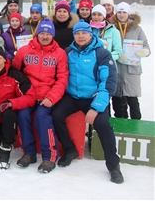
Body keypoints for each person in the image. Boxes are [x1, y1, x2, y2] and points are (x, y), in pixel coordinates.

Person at [51, 20, 124, 184]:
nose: (80, 36)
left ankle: (113, 165)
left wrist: (96, 108)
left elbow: (108, 84)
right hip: (72, 96)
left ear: (91, 34)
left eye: (84, 33)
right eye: (77, 33)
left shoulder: (102, 54)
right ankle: (70, 150)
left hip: (94, 97)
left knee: (103, 125)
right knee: (55, 115)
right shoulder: (68, 52)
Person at [12, 19, 68, 173]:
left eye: (48, 34)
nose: (44, 36)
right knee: (22, 115)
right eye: (42, 33)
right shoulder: (24, 51)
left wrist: (51, 98)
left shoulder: (60, 53)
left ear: (53, 35)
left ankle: (49, 156)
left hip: (48, 95)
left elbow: (62, 79)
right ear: (36, 34)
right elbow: (15, 73)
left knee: (41, 117)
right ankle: (28, 153)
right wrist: (20, 93)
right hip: (29, 94)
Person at [111, 2, 150, 120]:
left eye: (124, 12)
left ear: (129, 14)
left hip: (132, 70)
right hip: (116, 69)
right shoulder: (112, 28)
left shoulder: (137, 29)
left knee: (133, 101)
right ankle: (121, 128)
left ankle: (136, 128)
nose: (122, 15)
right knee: (117, 101)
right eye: (119, 12)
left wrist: (143, 51)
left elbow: (146, 46)